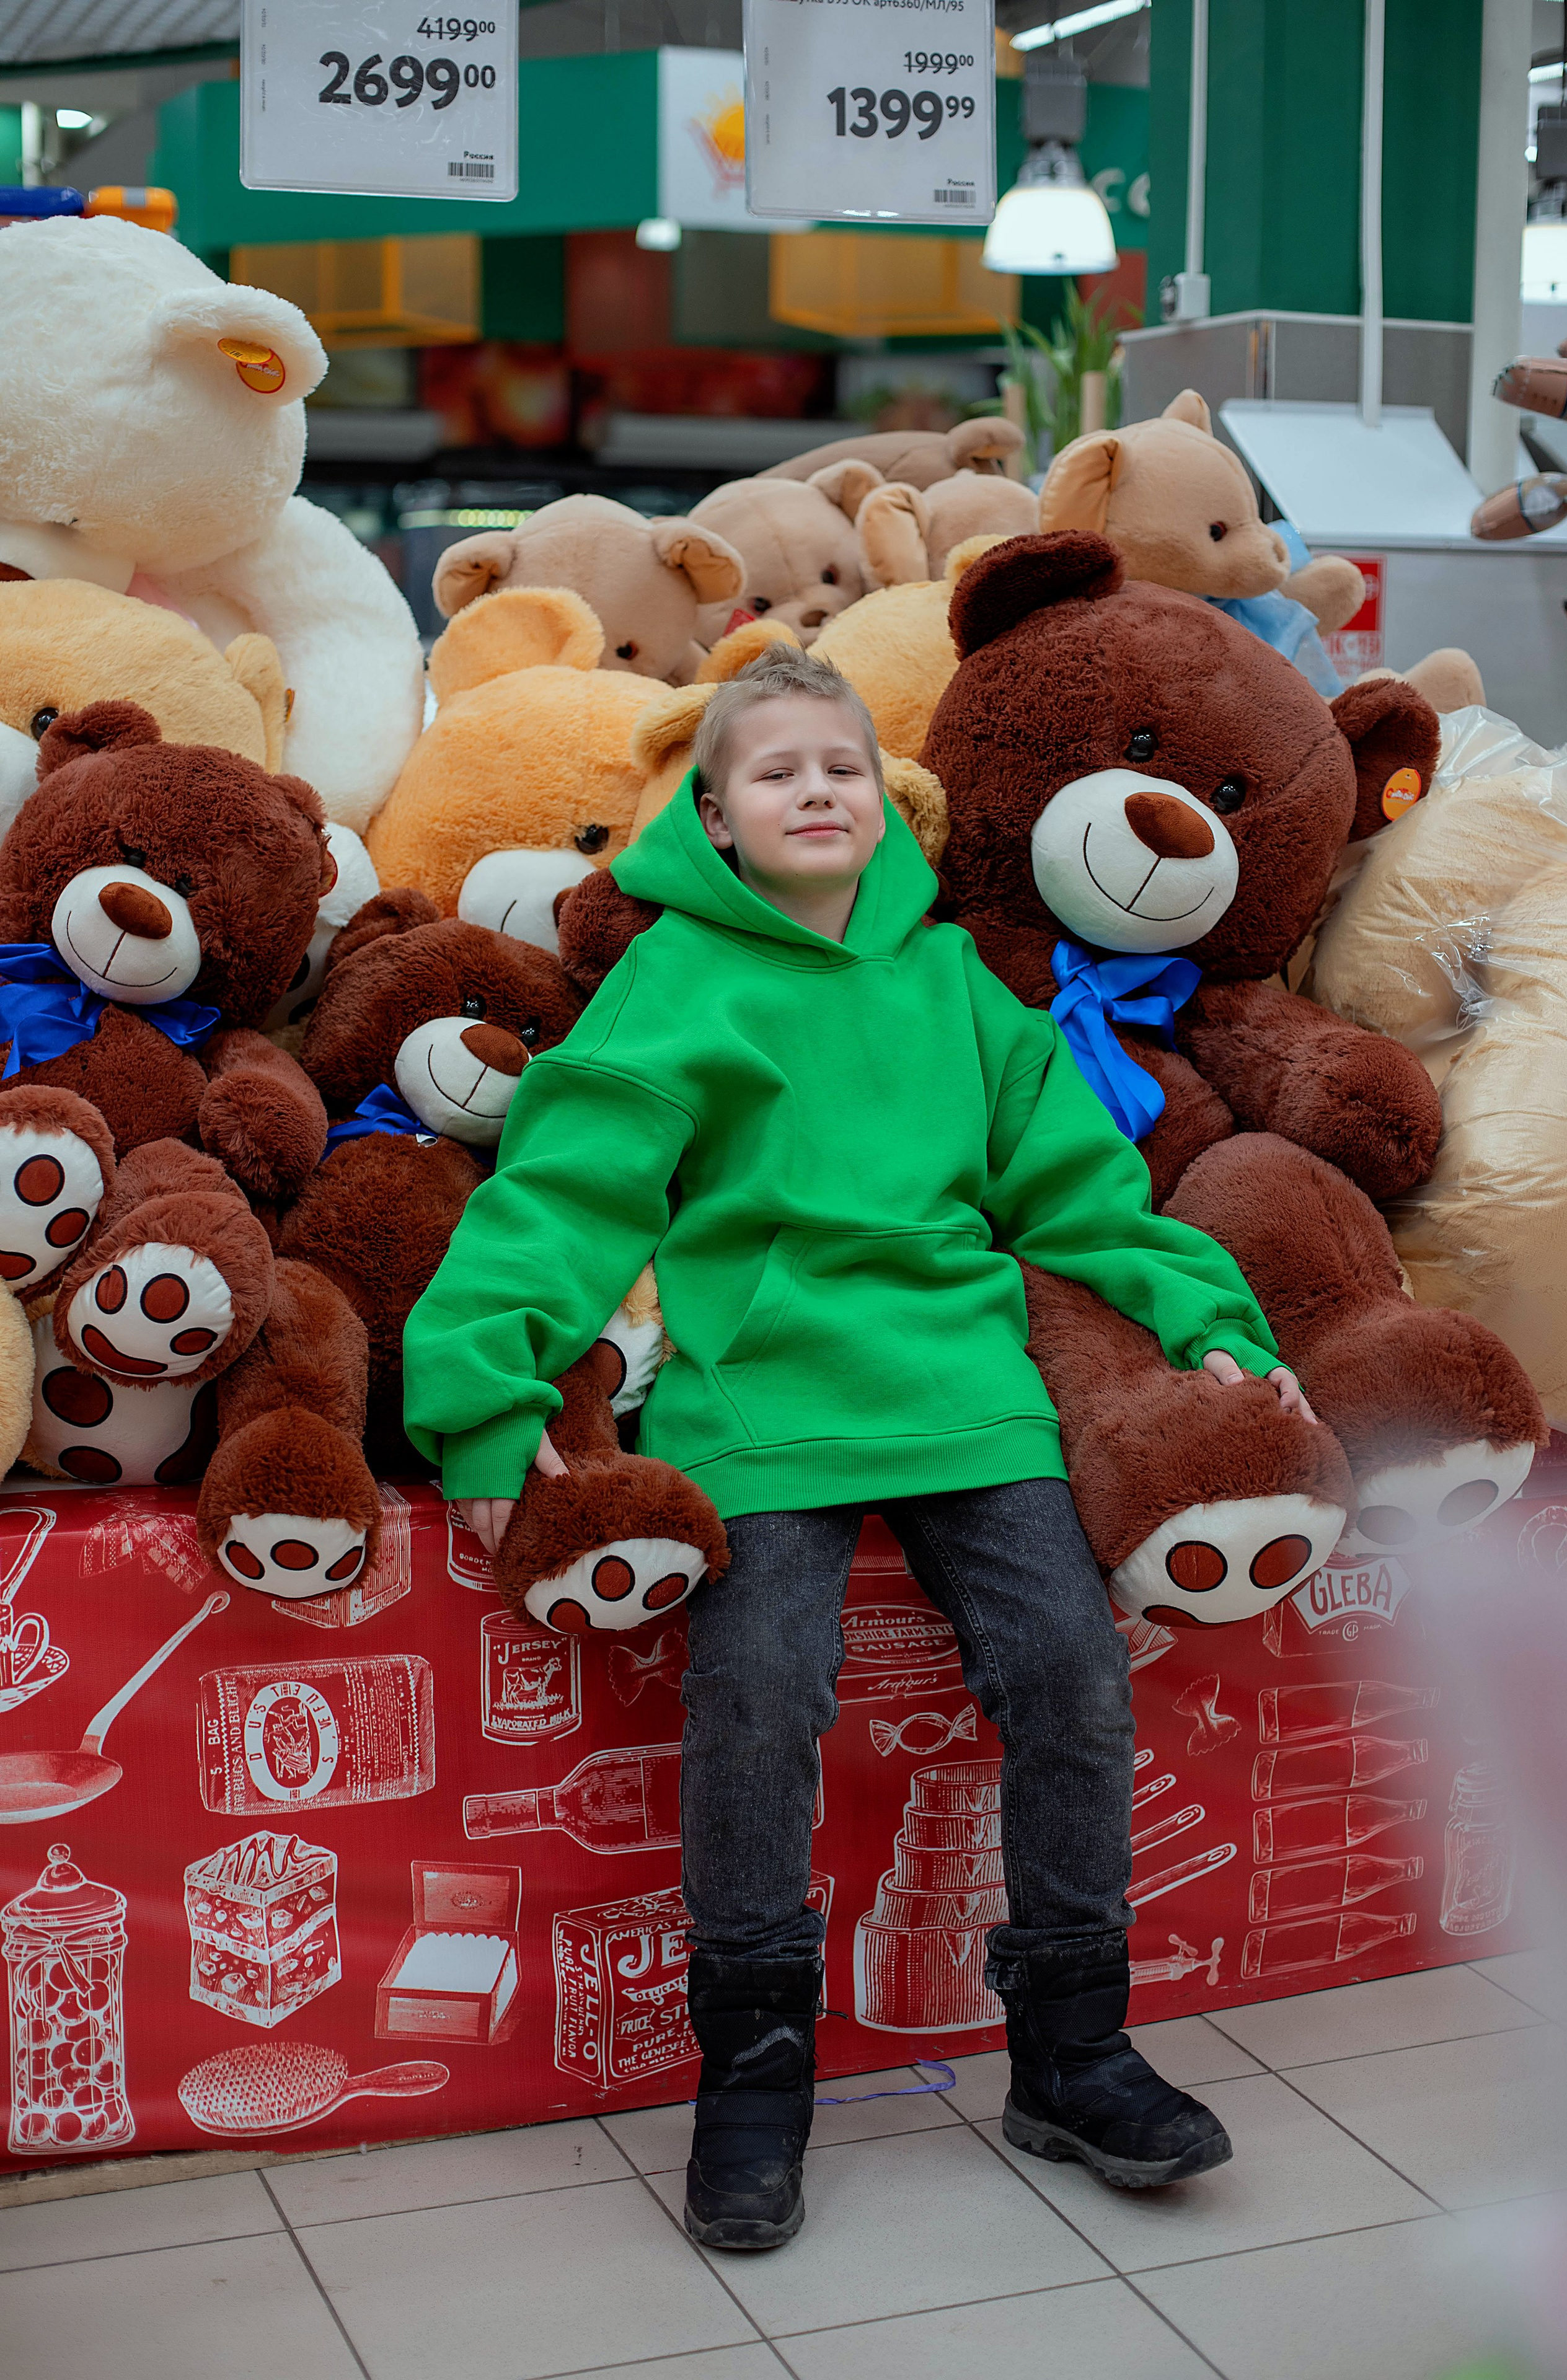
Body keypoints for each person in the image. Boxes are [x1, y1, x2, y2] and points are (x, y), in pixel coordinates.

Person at [404, 648, 1313, 2252]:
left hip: (963, 1382)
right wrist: (488, 1399)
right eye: (777, 771)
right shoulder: (677, 980)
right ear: (715, 815)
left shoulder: (953, 978)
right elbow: (564, 1194)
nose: (816, 790)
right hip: (762, 1395)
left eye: (843, 766)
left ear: (883, 802)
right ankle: (754, 2076)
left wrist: (1200, 1315)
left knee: (1071, 1669)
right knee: (760, 1691)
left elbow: (1075, 1189)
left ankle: (1073, 2051)